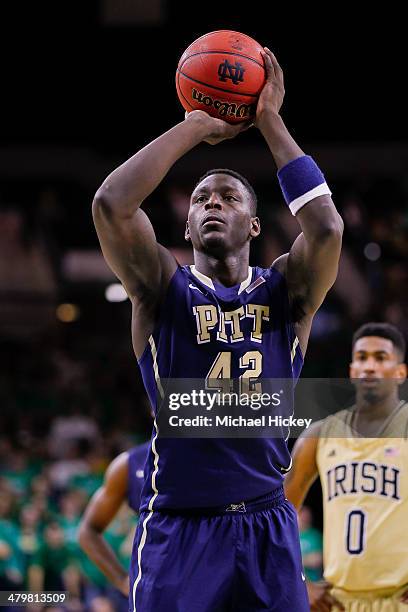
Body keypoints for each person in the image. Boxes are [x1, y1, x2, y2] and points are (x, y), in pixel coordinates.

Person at [92, 46, 343, 611]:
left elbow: (326, 227)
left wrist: (269, 121)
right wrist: (196, 126)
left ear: (254, 223)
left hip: (266, 525)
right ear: (185, 222)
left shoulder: (288, 291)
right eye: (202, 197)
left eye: (229, 197)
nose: (212, 204)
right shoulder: (160, 287)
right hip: (179, 530)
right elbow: (111, 204)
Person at [285, 322, 408, 611]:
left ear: (400, 372)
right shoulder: (319, 434)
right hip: (337, 600)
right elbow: (279, 514)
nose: (369, 366)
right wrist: (299, 580)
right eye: (362, 358)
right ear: (352, 370)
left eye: (380, 358)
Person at [78, 442, 149, 604]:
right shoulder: (129, 464)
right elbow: (87, 532)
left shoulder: (216, 453)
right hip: (151, 587)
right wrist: (122, 580)